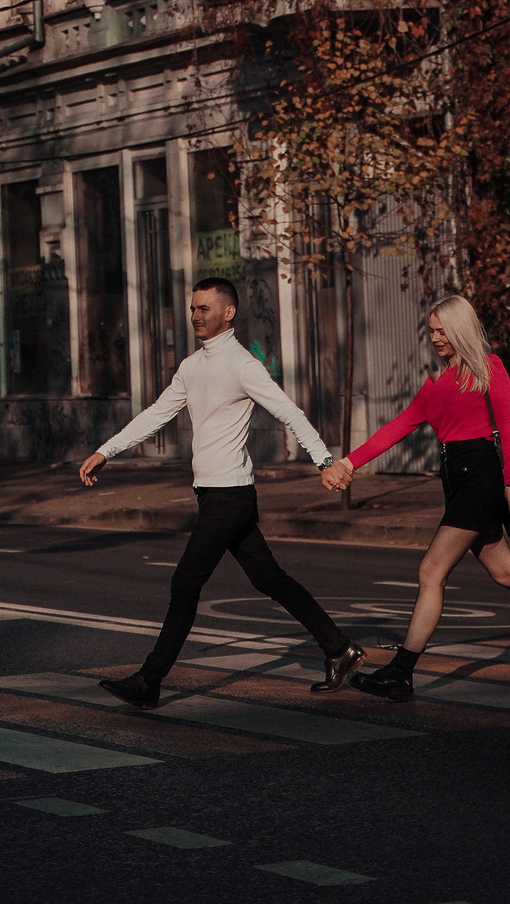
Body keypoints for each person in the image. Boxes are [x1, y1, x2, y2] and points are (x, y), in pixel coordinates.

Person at [82, 276, 362, 711]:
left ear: (228, 313)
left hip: (230, 496)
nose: (195, 316)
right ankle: (339, 648)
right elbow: (157, 413)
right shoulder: (192, 367)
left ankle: (149, 681)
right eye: (193, 309)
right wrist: (106, 451)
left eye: (204, 308)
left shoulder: (242, 365)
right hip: (215, 496)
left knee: (185, 583)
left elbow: (290, 411)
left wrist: (324, 461)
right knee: (268, 579)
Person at [325, 294, 510, 700]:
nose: (436, 338)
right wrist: (349, 462)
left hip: (482, 478)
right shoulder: (435, 383)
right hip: (455, 478)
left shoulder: (488, 369)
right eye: (431, 331)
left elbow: (505, 429)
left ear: (460, 329)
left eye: (443, 331)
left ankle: (401, 673)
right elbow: (396, 428)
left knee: (430, 572)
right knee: (508, 573)